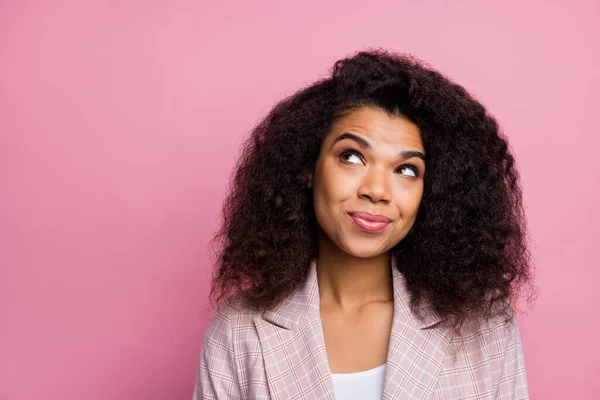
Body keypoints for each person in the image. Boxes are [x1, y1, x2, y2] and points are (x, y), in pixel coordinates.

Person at [193, 48, 534, 399]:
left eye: (406, 170)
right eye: (352, 156)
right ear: (308, 167)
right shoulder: (239, 331)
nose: (377, 191)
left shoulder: (482, 324)